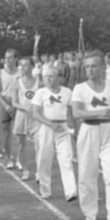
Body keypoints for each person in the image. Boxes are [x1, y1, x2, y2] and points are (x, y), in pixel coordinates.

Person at [70, 51, 110, 220]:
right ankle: (90, 210)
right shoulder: (80, 89)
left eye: (94, 66)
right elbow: (76, 112)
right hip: (88, 131)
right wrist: (98, 112)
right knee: (87, 173)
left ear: (103, 67)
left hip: (108, 131)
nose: (90, 70)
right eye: (87, 66)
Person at [31, 65, 77, 201]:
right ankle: (45, 190)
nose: (48, 79)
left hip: (62, 127)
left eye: (51, 76)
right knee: (44, 159)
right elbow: (35, 113)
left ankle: (70, 191)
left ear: (59, 78)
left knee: (66, 158)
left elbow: (71, 112)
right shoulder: (41, 93)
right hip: (46, 127)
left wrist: (75, 129)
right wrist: (51, 124)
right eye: (46, 77)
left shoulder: (67, 92)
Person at [9, 56, 39, 181]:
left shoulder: (39, 82)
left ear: (32, 66)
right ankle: (25, 169)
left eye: (26, 65)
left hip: (36, 116)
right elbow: (14, 102)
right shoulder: (16, 82)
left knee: (39, 144)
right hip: (22, 115)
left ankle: (39, 171)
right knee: (21, 145)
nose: (23, 68)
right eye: (21, 65)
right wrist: (24, 108)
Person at [0, 49, 21, 164]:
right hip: (5, 102)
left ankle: (20, 158)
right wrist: (5, 105)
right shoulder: (0, 73)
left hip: (18, 102)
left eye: (10, 57)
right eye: (6, 58)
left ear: (16, 59)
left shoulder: (21, 72)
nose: (8, 60)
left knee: (20, 133)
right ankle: (8, 157)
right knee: (6, 132)